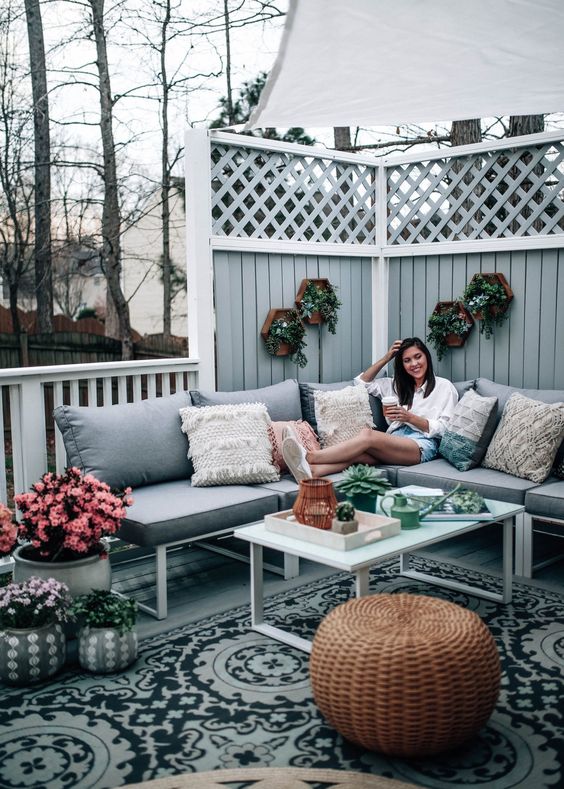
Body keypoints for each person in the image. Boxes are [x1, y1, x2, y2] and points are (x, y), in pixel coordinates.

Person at [282, 337, 458, 481]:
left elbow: (445, 429)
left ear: (426, 356)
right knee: (360, 456)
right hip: (396, 438)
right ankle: (312, 472)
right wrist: (386, 358)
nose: (414, 363)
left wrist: (410, 418)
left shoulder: (444, 387)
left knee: (367, 435)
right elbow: (362, 382)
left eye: (418, 357)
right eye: (407, 360)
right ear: (402, 365)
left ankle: (309, 456)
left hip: (423, 445)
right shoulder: (395, 385)